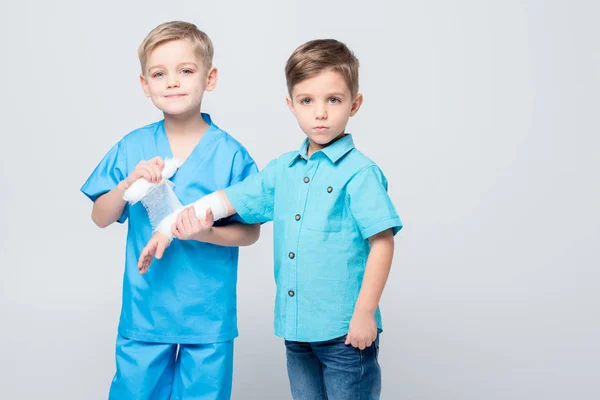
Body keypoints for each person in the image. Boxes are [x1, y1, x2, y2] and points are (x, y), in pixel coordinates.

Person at [139, 38, 402, 400]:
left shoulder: (360, 174)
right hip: (296, 331)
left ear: (354, 104)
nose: (320, 113)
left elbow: (382, 242)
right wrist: (168, 229)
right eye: (307, 101)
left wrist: (365, 313)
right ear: (291, 105)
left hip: (345, 333)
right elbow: (224, 201)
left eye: (334, 100)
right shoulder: (283, 171)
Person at [80, 21, 259, 399]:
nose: (173, 82)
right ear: (146, 85)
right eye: (160, 74)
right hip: (146, 310)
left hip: (207, 316)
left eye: (186, 71)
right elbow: (100, 216)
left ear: (209, 78)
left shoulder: (231, 155)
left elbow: (250, 231)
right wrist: (126, 185)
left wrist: (204, 231)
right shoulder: (133, 147)